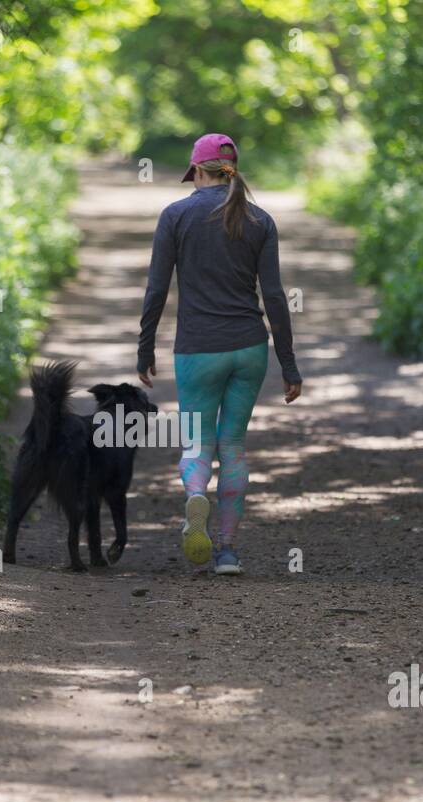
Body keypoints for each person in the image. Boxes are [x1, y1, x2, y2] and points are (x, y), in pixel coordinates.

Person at [137, 132, 303, 576]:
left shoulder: (175, 215)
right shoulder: (261, 220)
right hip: (249, 348)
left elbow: (157, 288)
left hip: (198, 349)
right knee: (233, 446)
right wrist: (288, 364)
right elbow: (273, 295)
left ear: (196, 171)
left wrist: (145, 346)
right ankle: (227, 551)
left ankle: (195, 495)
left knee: (198, 442)